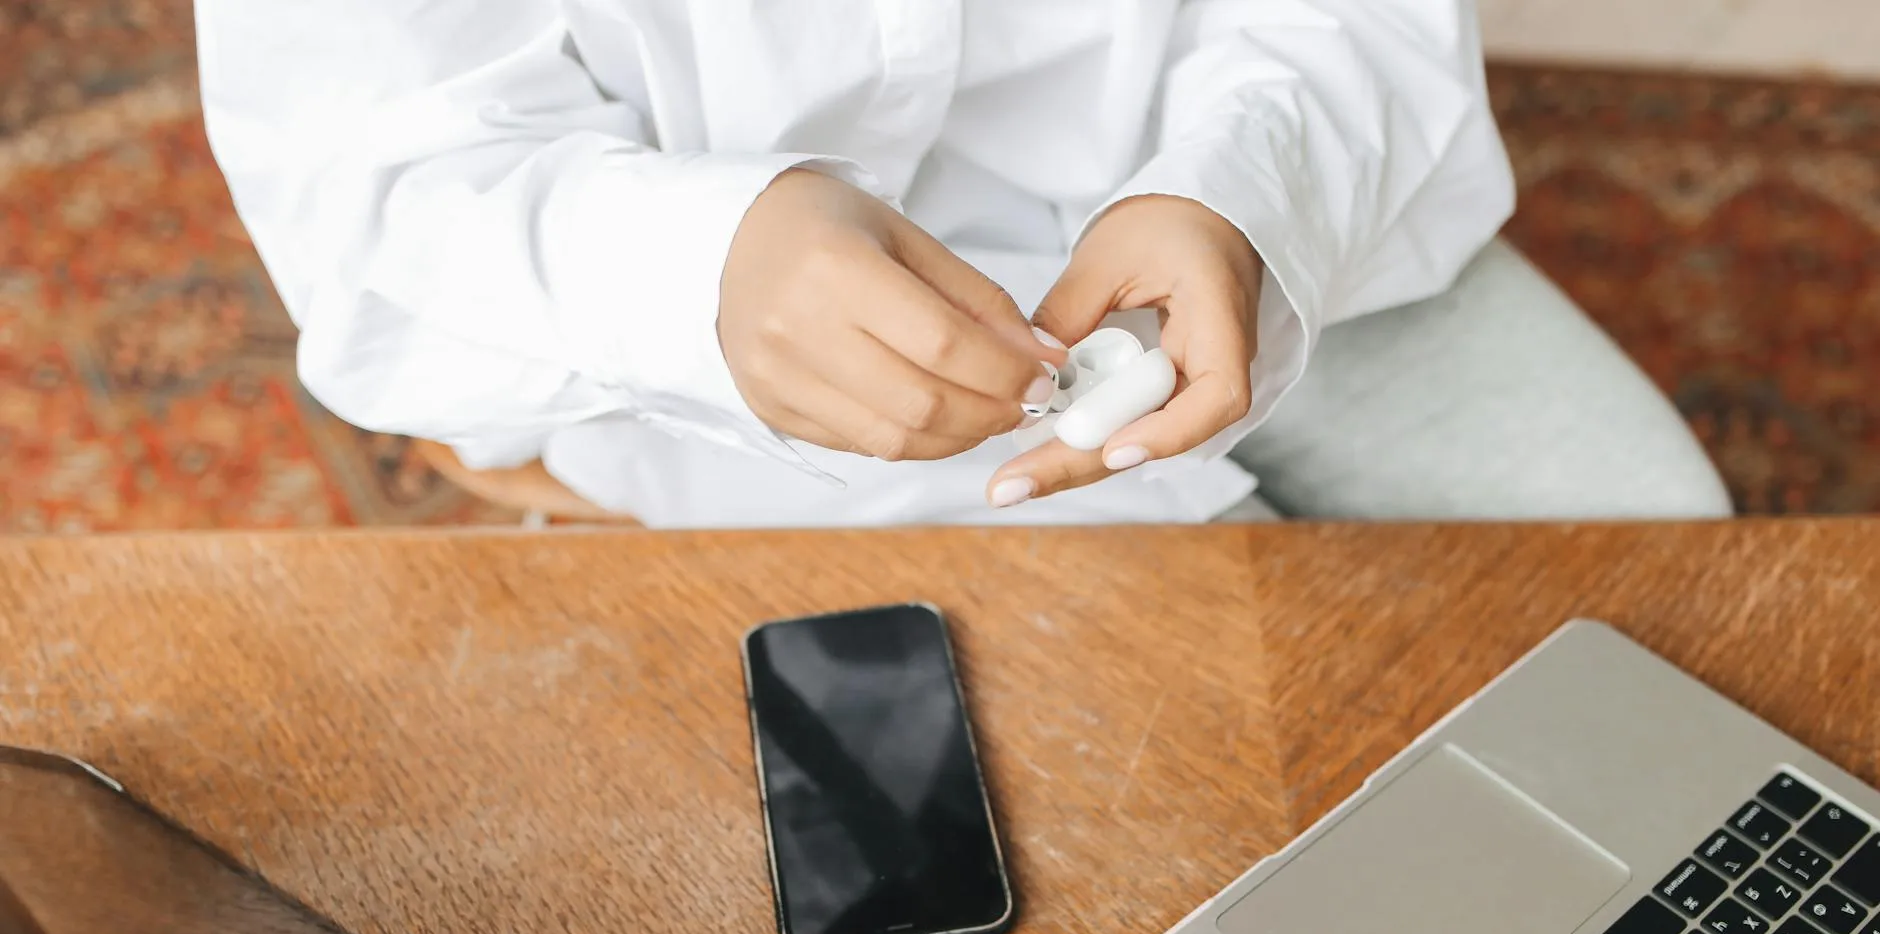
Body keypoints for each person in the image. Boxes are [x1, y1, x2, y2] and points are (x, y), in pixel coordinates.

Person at [194, 1, 1731, 528]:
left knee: (1666, 563)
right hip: (686, 362)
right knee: (1188, 798)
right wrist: (696, 272)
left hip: (1250, 195)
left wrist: (1242, 199)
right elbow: (375, 177)